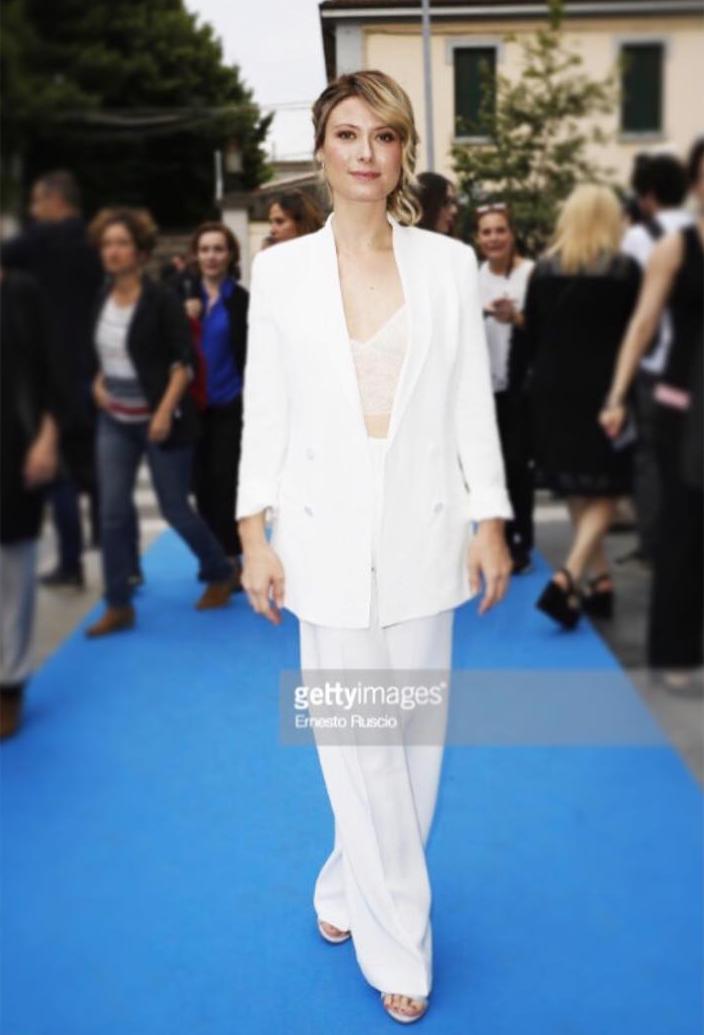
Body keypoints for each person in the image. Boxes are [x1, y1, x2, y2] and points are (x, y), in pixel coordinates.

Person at [235, 70, 513, 1024]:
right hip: (319, 536)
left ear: (403, 153)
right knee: (360, 743)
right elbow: (266, 411)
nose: (365, 152)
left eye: (383, 136)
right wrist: (253, 534)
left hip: (426, 532)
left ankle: (344, 884)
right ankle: (401, 943)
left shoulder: (447, 264)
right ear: (320, 149)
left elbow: (471, 404)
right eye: (348, 133)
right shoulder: (281, 272)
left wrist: (490, 521)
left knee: (412, 745)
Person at [85, 208, 239, 637]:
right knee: (112, 513)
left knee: (175, 508)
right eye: (107, 244)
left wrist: (163, 412)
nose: (112, 251)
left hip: (161, 420)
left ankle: (220, 569)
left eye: (121, 243)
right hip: (115, 420)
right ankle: (118, 603)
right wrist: (98, 383)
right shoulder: (102, 297)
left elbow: (183, 363)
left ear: (140, 252)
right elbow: (105, 352)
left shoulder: (161, 300)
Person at [600, 139, 704, 694]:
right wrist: (617, 395)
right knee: (682, 532)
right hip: (685, 405)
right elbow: (642, 325)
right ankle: (674, 655)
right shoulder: (676, 246)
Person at [521, 185, 642, 628]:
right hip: (607, 389)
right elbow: (638, 333)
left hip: (553, 390)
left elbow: (532, 332)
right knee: (609, 486)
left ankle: (600, 582)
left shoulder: (543, 270)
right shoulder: (624, 271)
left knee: (576, 485)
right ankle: (569, 576)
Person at [0, 170, 104, 588]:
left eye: (37, 202)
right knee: (98, 467)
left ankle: (71, 562)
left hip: (50, 365)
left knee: (60, 474)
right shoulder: (94, 242)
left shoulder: (38, 241)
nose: (33, 211)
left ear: (55, 201)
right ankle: (117, 555)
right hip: (95, 364)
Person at [620, 152, 693, 567]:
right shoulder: (694, 230)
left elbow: (634, 310)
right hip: (691, 365)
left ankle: (654, 543)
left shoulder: (637, 238)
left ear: (648, 195)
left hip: (653, 367)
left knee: (651, 456)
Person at [0, 269, 59, 738]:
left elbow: (54, 372)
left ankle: (9, 684)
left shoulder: (23, 294)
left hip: (13, 449)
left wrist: (47, 438)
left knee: (14, 570)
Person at [184, 222, 249, 572]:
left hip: (230, 404)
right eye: (205, 249)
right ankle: (213, 556)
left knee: (225, 482)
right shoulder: (180, 299)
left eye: (218, 249)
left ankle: (229, 556)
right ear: (196, 255)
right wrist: (183, 318)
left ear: (230, 255)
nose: (211, 256)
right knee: (201, 485)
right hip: (193, 408)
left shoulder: (241, 301)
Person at [476, 201, 536, 572]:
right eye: (487, 232)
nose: (494, 238)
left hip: (521, 387)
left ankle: (521, 541)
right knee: (490, 468)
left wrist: (516, 317)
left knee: (517, 465)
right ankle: (496, 538)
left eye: (500, 230)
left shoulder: (531, 274)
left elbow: (545, 326)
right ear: (478, 238)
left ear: (512, 235)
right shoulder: (474, 276)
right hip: (484, 387)